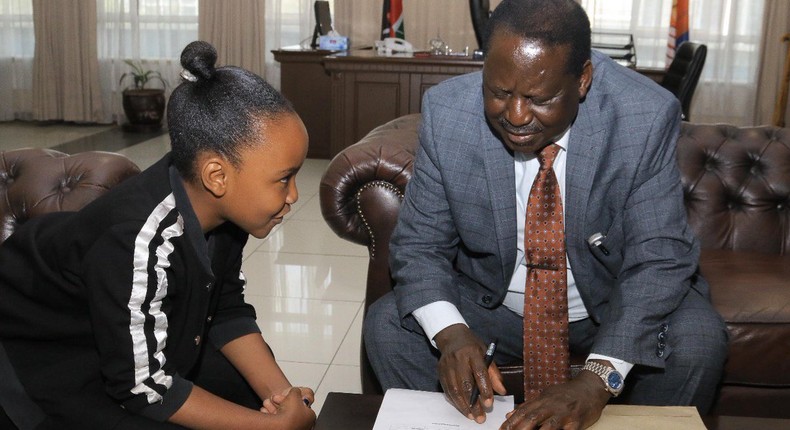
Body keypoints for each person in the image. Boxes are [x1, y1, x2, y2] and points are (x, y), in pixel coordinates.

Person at [363, 0, 728, 429]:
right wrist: (452, 334)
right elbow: (419, 244)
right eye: (499, 92)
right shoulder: (448, 113)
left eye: (540, 98)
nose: (515, 116)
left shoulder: (643, 116)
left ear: (583, 81)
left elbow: (661, 255)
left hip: (606, 307)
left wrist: (597, 378)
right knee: (388, 325)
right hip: (493, 306)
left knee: (698, 338)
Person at [0, 41, 315, 430]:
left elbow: (227, 309)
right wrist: (274, 425)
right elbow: (141, 387)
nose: (295, 195)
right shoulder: (135, 239)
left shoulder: (222, 208)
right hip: (46, 354)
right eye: (284, 178)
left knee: (244, 395)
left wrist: (283, 399)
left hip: (128, 335)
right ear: (217, 176)